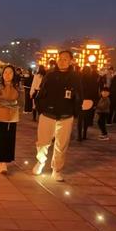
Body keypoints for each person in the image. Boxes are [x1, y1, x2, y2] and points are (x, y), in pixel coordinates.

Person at [33, 50, 82, 182]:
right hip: (48, 114)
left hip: (66, 115)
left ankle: (57, 169)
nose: (62, 61)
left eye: (65, 59)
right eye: (60, 58)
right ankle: (41, 162)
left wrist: (74, 112)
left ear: (71, 61)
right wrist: (41, 108)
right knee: (43, 142)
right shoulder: (50, 75)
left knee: (61, 145)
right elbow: (41, 93)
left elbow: (79, 97)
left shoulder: (75, 77)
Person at [0, 65, 23, 174]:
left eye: (10, 72)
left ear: (14, 75)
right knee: (0, 140)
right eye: (5, 72)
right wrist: (12, 103)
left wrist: (10, 104)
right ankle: (0, 162)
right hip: (0, 116)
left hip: (12, 117)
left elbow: (20, 102)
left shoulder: (17, 87)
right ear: (2, 74)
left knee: (9, 140)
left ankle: (5, 161)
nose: (7, 75)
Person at [77, 65, 99, 141]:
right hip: (89, 101)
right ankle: (84, 135)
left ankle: (79, 136)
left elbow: (77, 90)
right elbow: (96, 91)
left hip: (81, 100)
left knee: (80, 119)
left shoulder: (80, 79)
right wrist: (95, 102)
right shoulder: (93, 79)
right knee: (86, 119)